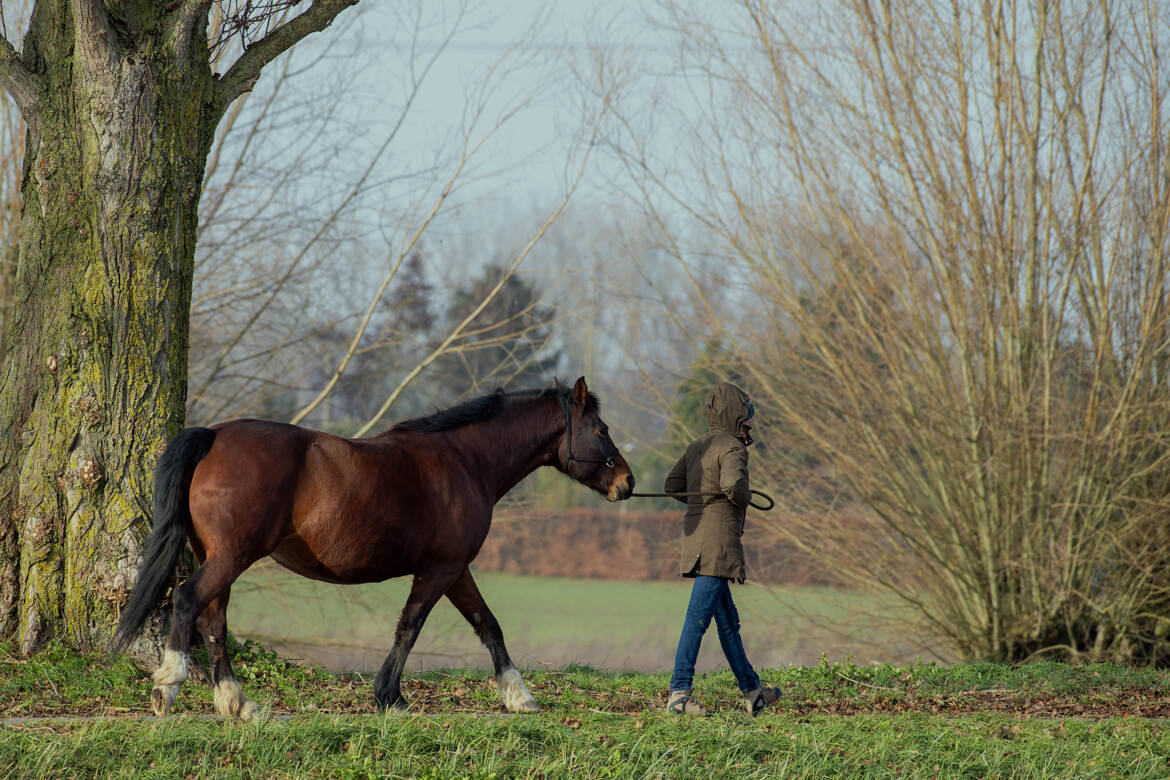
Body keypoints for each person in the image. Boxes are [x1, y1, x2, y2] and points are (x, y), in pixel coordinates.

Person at [663, 381, 781, 716]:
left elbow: (673, 485)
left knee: (728, 623)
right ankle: (679, 693)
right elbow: (733, 486)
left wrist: (701, 496)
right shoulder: (732, 448)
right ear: (733, 414)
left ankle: (753, 691)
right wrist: (739, 494)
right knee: (697, 620)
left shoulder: (696, 446)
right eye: (745, 416)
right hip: (718, 547)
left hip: (696, 542)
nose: (748, 423)